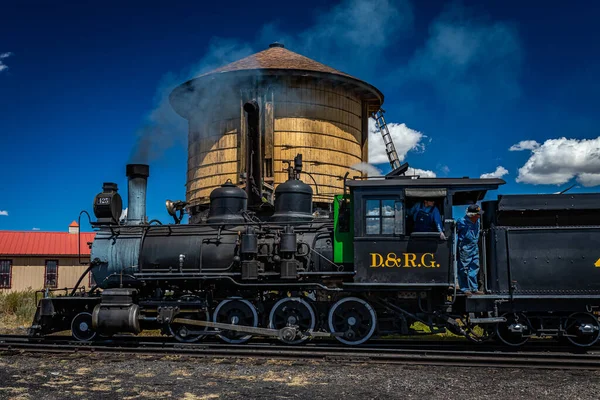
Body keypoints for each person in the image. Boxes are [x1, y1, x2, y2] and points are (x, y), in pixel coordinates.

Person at [457, 204, 484, 296]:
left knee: (474, 267)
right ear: (472, 215)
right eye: (478, 214)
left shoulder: (477, 221)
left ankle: (474, 288)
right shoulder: (461, 222)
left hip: (474, 246)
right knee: (464, 268)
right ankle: (465, 288)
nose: (479, 216)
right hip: (465, 247)